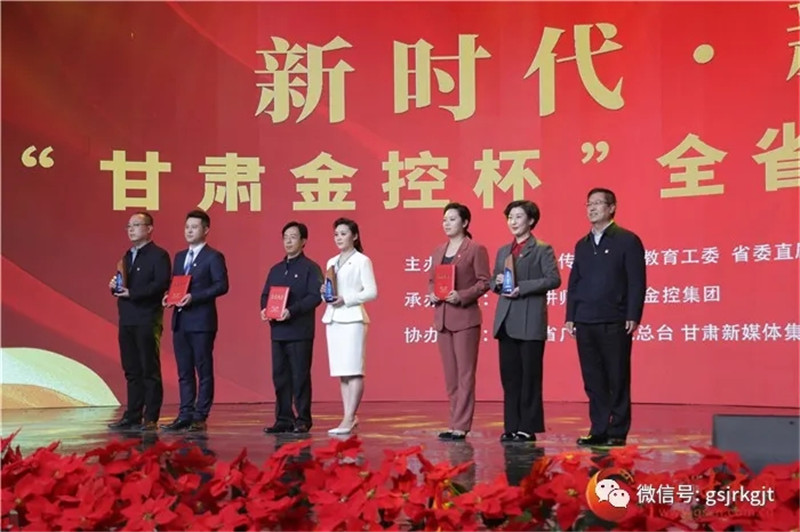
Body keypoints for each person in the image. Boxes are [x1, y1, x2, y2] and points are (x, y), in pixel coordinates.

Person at [565, 188, 646, 447]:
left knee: (617, 377)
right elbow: (574, 282)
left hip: (615, 319)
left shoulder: (627, 240)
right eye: (589, 204)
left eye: (598, 203)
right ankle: (598, 428)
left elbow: (636, 282)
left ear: (612, 208)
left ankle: (617, 430)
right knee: (593, 379)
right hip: (585, 319)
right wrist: (571, 315)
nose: (592, 208)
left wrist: (633, 314)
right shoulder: (582, 244)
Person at [490, 200, 561, 443]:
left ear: (531, 220)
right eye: (510, 217)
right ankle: (511, 426)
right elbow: (493, 281)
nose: (513, 221)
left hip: (530, 321)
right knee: (510, 378)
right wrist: (497, 282)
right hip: (506, 320)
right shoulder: (503, 251)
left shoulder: (542, 249)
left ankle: (527, 427)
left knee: (530, 376)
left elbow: (553, 279)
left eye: (518, 217)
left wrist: (523, 287)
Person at [161, 209, 229, 432]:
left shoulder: (213, 257)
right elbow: (176, 284)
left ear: (206, 230)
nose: (189, 231)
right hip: (180, 321)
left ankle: (200, 415)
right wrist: (169, 296)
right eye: (187, 227)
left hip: (201, 322)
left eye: (194, 227)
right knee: (184, 371)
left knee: (203, 370)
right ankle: (185, 414)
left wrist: (194, 297)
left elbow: (222, 285)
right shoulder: (180, 257)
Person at [428, 202, 491, 441]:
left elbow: (484, 281)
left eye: (452, 219)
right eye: (444, 219)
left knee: (465, 374)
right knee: (451, 375)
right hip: (443, 318)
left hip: (465, 319)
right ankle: (453, 421)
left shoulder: (475, 249)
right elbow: (432, 280)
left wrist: (462, 295)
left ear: (465, 222)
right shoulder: (438, 251)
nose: (447, 223)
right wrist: (432, 294)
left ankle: (462, 425)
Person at [107, 212, 171, 431]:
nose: (131, 229)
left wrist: (132, 293)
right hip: (127, 319)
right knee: (131, 369)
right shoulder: (127, 256)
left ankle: (150, 417)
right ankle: (132, 415)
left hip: (147, 318)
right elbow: (123, 285)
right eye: (129, 226)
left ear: (149, 228)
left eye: (136, 225)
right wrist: (115, 287)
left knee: (149, 369)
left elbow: (161, 284)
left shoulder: (159, 255)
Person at [260, 221, 324, 434]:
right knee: (280, 377)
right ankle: (283, 419)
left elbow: (315, 297)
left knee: (300, 377)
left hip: (299, 331)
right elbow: (265, 295)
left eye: (293, 237)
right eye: (285, 237)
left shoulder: (311, 268)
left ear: (303, 241)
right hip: (278, 332)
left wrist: (292, 311)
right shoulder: (276, 270)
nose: (288, 241)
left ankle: (303, 419)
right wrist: (264, 310)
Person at [320, 218, 377, 435]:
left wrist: (347, 298)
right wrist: (324, 293)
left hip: (353, 319)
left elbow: (371, 291)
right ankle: (348, 415)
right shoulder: (331, 261)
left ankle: (349, 416)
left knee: (354, 370)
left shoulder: (362, 260)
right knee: (342, 372)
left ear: (354, 236)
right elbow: (331, 290)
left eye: (343, 234)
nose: (339, 238)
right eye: (336, 234)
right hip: (334, 318)